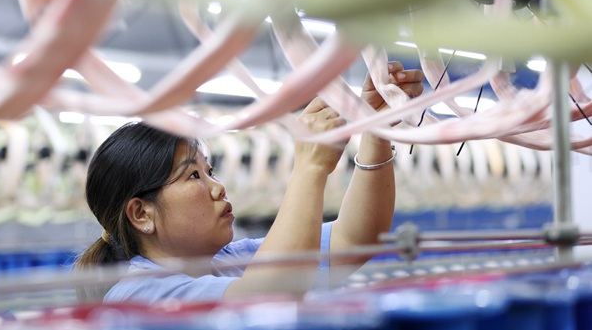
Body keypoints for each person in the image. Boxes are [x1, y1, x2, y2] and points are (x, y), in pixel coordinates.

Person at [74, 62, 424, 303]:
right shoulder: (139, 293)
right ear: (141, 214)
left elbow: (356, 238)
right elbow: (270, 296)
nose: (217, 188)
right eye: (193, 175)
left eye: (209, 171)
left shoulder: (230, 260)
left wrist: (374, 129)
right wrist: (309, 168)